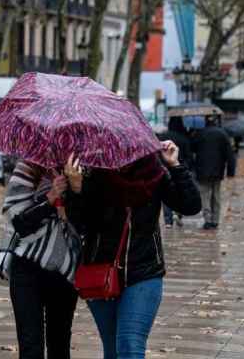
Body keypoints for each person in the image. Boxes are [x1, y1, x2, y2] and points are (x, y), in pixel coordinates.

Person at [68, 141, 201, 359]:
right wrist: (76, 188)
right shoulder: (94, 173)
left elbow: (190, 205)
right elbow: (81, 224)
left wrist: (176, 166)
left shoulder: (153, 172)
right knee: (112, 350)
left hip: (144, 272)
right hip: (100, 274)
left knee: (130, 346)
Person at [2, 157, 81, 359]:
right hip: (27, 268)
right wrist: (51, 197)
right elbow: (18, 223)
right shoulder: (28, 168)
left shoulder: (82, 171)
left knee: (59, 345)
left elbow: (90, 226)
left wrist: (76, 191)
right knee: (30, 346)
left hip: (65, 270)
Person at [191, 116, 236, 229]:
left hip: (202, 169)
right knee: (216, 195)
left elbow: (192, 148)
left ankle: (207, 220)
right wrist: (231, 171)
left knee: (205, 195)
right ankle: (215, 220)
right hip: (218, 169)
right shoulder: (222, 134)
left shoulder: (200, 133)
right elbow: (230, 154)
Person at [158, 117, 194, 228]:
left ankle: (168, 221)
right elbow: (189, 156)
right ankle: (178, 213)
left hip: (164, 169)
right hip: (179, 168)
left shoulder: (163, 137)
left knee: (166, 192)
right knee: (180, 191)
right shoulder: (184, 138)